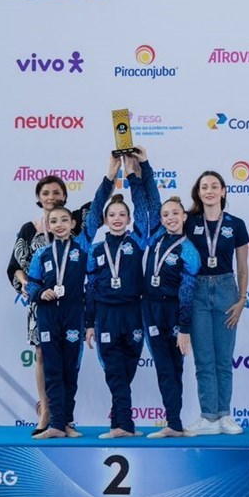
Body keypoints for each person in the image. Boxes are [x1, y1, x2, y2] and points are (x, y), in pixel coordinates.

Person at [25, 165, 114, 440]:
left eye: (64, 220)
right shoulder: (41, 254)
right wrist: (41, 293)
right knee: (52, 369)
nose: (60, 225)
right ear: (48, 226)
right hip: (48, 316)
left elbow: (95, 212)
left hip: (74, 314)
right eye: (54, 221)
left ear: (73, 224)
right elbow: (31, 285)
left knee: (69, 370)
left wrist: (110, 177)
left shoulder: (83, 248)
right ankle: (54, 424)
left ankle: (66, 423)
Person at [8, 174, 93, 434]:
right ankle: (46, 411)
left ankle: (64, 418)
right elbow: (15, 267)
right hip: (40, 305)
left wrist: (114, 173)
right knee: (42, 356)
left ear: (65, 197)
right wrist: (31, 288)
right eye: (45, 193)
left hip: (71, 308)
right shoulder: (29, 229)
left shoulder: (74, 226)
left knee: (68, 361)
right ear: (38, 197)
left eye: (56, 192)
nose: (51, 197)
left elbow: (99, 206)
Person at [85, 151, 158, 439]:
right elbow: (90, 288)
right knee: (115, 372)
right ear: (105, 219)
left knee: (126, 371)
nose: (117, 219)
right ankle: (123, 425)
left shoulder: (137, 240)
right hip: (105, 314)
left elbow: (144, 208)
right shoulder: (95, 248)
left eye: (121, 215)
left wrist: (131, 175)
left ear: (128, 219)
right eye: (112, 215)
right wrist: (89, 323)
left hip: (133, 313)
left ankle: (120, 423)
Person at [131, 158, 201, 439]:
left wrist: (184, 328)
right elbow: (147, 202)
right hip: (149, 309)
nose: (170, 218)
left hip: (174, 312)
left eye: (175, 213)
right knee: (163, 368)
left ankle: (174, 423)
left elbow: (188, 292)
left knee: (175, 367)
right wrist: (141, 169)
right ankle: (174, 422)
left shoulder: (189, 250)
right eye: (165, 215)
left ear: (184, 216)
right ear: (161, 220)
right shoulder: (156, 237)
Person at [184, 170, 249, 435]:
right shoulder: (189, 222)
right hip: (197, 290)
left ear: (223, 191)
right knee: (204, 360)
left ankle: (225, 415)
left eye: (214, 186)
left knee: (223, 359)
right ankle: (208, 417)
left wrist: (242, 299)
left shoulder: (237, 224)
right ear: (198, 193)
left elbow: (242, 267)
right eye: (204, 187)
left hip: (226, 290)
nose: (209, 191)